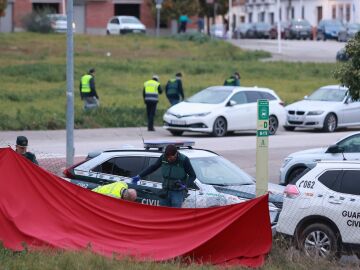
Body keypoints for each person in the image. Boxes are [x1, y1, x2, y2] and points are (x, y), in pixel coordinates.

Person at [131, 144, 196, 208]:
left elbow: (193, 175)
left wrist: (186, 185)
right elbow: (153, 167)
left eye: (170, 158)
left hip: (177, 193)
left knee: (175, 214)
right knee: (163, 213)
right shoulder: (163, 157)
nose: (168, 159)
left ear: (175, 154)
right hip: (165, 191)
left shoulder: (184, 160)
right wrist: (140, 176)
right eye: (167, 157)